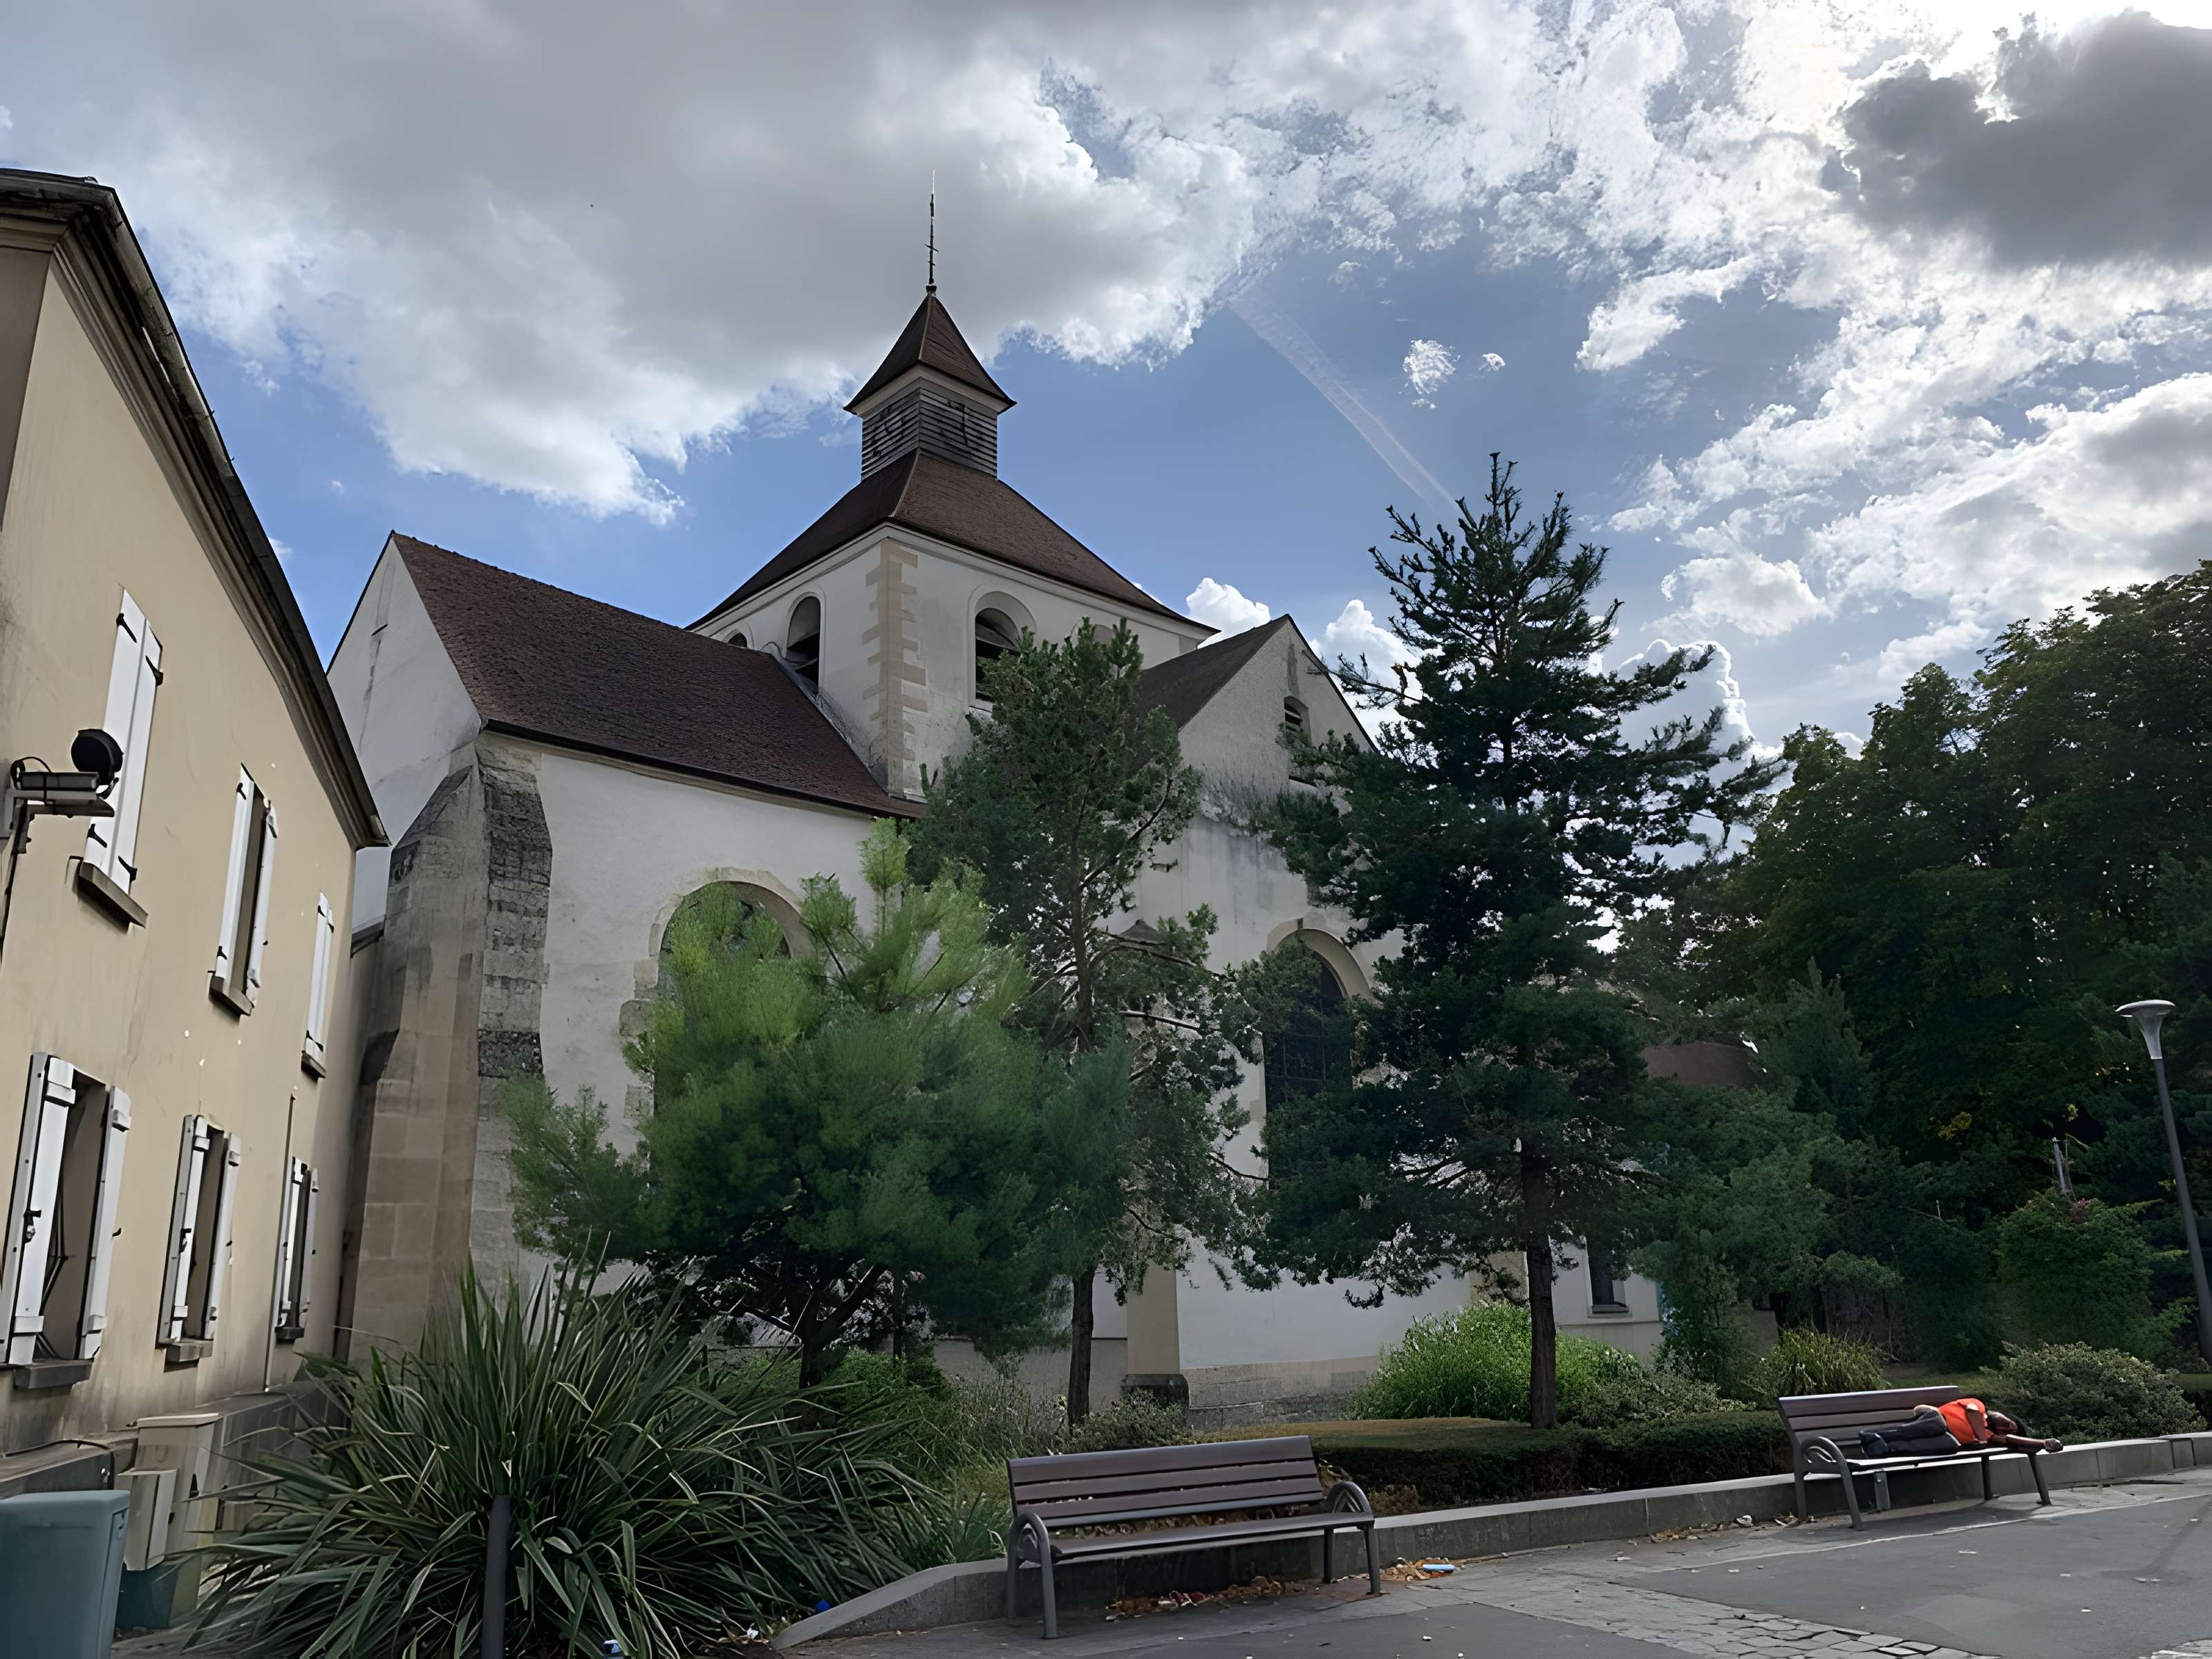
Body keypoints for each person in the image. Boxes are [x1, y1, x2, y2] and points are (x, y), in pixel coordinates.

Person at [1858, 1398, 2060, 1458]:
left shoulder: (1990, 1435)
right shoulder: (1979, 1408)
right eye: (2008, 1423)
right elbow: (1971, 1412)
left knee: (1948, 1445)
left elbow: (2011, 1441)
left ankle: (1886, 1450)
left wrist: (2043, 1443)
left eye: (2009, 1429)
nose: (2007, 1427)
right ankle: (1872, 1436)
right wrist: (1981, 1440)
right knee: (1935, 1426)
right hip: (1938, 1418)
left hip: (1949, 1436)